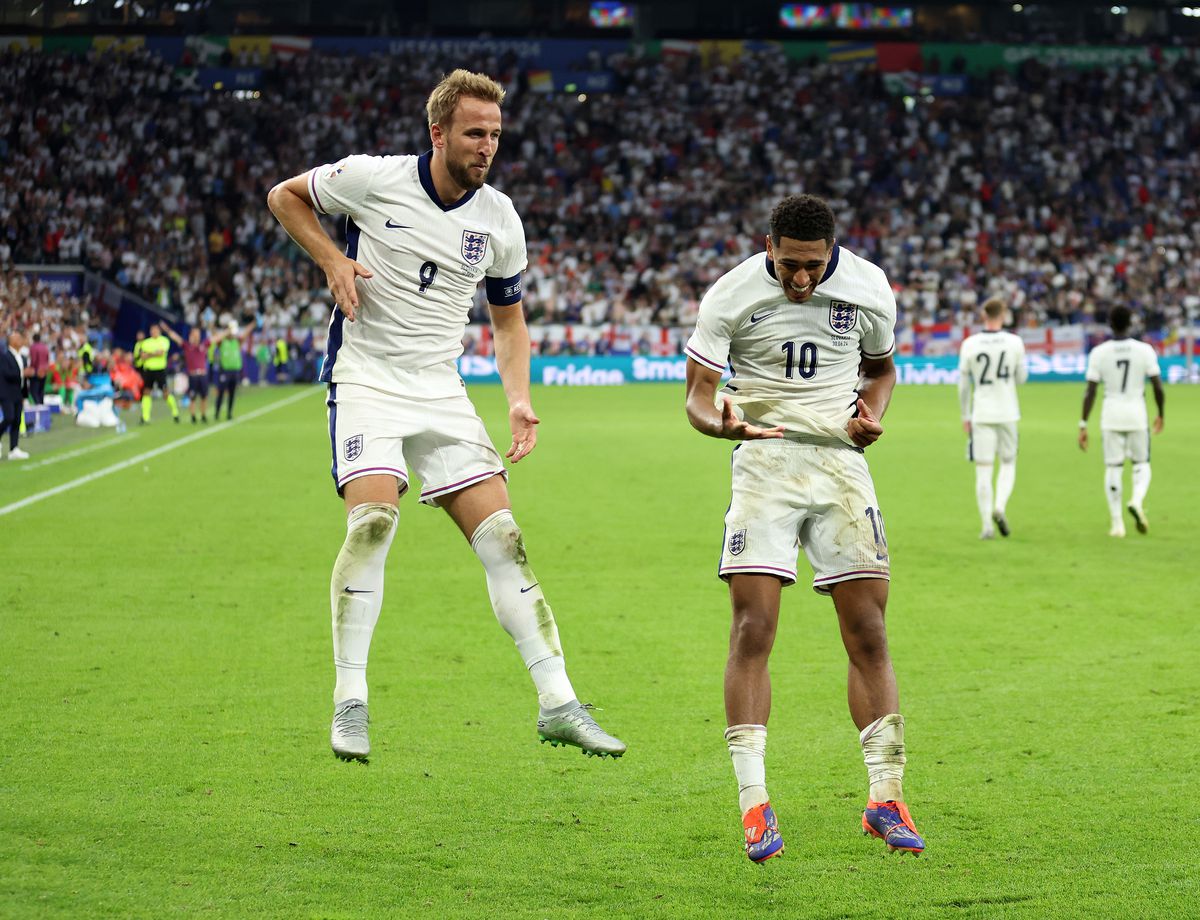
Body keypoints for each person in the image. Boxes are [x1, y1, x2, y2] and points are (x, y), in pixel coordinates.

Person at [266, 69, 625, 763]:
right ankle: (350, 702)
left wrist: (518, 398)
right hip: (367, 378)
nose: (487, 146)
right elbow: (285, 196)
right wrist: (332, 258)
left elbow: (508, 322)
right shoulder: (374, 178)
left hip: (440, 388)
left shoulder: (500, 219)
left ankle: (559, 704)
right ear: (438, 133)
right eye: (474, 133)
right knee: (373, 524)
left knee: (504, 540)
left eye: (495, 134)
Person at [684, 194, 923, 862]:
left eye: (812, 266)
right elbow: (696, 396)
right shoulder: (730, 294)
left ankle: (886, 797)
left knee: (869, 630)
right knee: (753, 627)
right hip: (764, 463)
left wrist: (872, 414)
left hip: (842, 465)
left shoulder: (869, 286)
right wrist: (717, 424)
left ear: (831, 252)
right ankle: (754, 803)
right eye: (788, 263)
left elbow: (881, 371)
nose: (800, 278)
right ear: (769, 246)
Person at [1078, 306, 1164, 536]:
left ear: (1110, 323)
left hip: (1111, 414)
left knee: (1113, 467)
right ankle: (1136, 499)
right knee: (1141, 463)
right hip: (1136, 414)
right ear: (1131, 323)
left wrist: (1083, 424)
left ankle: (1117, 523)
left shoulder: (1099, 352)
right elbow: (1157, 386)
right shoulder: (1144, 350)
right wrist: (1161, 413)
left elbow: (1090, 391)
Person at [957, 296, 1027, 539]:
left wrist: (965, 414)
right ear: (1003, 315)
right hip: (1008, 411)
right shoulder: (1015, 342)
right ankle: (1000, 506)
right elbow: (1021, 378)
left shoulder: (970, 344)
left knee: (983, 469)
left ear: (984, 316)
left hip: (982, 413)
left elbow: (963, 385)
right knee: (1008, 463)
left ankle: (987, 525)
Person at [163, 324, 211, 423]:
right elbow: (175, 337)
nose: (196, 335)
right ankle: (193, 416)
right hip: (193, 376)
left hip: (203, 375)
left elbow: (216, 338)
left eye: (197, 333)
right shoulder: (187, 346)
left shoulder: (204, 344)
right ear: (191, 334)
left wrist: (228, 330)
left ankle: (203, 415)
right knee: (192, 397)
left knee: (204, 397)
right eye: (194, 333)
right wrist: (167, 329)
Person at [137, 323, 180, 424]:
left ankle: (175, 413)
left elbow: (161, 353)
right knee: (146, 392)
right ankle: (145, 417)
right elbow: (142, 356)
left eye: (155, 330)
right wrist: (154, 353)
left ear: (159, 331)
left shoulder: (164, 340)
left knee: (165, 393)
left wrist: (149, 354)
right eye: (152, 330)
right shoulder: (146, 342)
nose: (154, 332)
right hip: (148, 370)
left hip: (160, 370)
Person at [212, 322, 250, 420]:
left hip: (235, 371)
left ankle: (229, 413)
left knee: (232, 393)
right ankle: (217, 413)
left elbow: (245, 333)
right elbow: (215, 336)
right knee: (221, 393)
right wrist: (225, 331)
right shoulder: (222, 342)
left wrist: (253, 324)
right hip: (225, 371)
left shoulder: (237, 341)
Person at [1, 331, 30, 460]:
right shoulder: (4, 356)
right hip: (6, 393)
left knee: (17, 420)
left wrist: (25, 396)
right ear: (11, 341)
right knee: (9, 417)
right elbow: (6, 374)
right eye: (17, 338)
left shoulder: (23, 357)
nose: (20, 339)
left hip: (19, 393)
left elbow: (25, 380)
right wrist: (22, 373)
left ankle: (14, 448)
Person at [28, 332, 49, 406]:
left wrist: (31, 368)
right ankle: (42, 405)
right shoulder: (45, 347)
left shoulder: (33, 347)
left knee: (34, 390)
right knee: (41, 390)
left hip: (37, 371)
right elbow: (47, 358)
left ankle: (38, 405)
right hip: (44, 371)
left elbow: (33, 360)